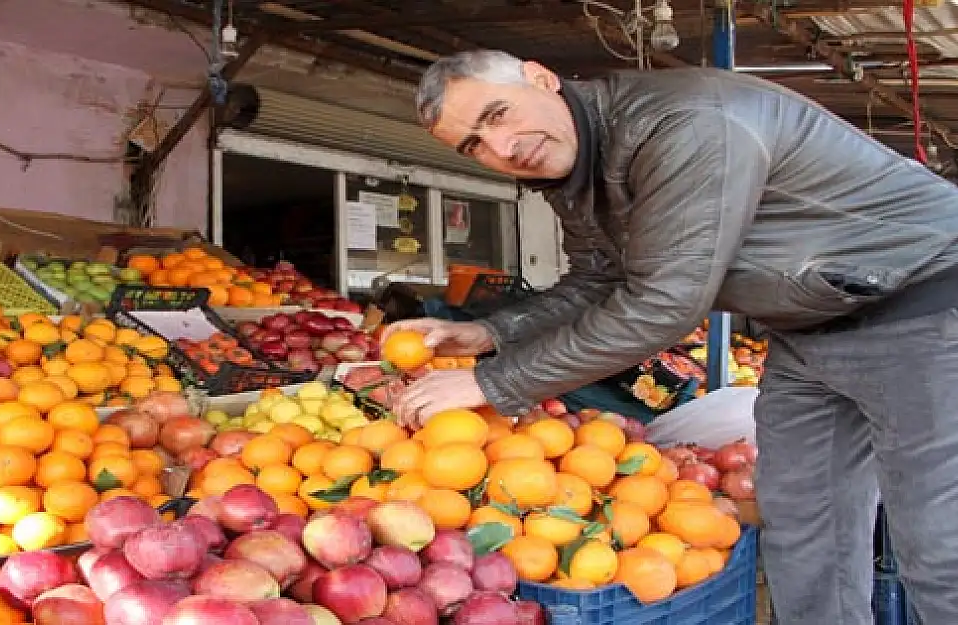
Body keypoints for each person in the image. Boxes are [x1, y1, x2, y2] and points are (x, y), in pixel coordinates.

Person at [382, 49, 958, 624]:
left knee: (938, 543)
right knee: (805, 528)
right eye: (474, 145)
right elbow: (596, 282)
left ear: (541, 78)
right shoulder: (578, 170)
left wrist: (494, 382)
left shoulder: (685, 125)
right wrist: (487, 332)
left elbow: (664, 303)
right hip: (809, 328)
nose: (502, 147)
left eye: (498, 114)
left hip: (924, 303)